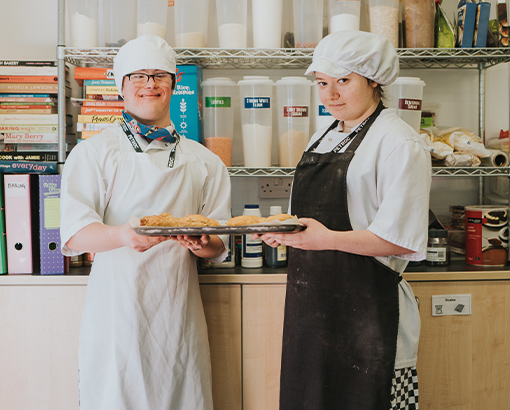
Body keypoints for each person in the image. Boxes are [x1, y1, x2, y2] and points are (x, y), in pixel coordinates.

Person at [258, 31, 431, 410]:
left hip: (370, 310)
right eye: (322, 83)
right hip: (312, 309)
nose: (330, 94)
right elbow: (310, 221)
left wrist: (325, 239)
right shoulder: (323, 137)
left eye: (343, 81)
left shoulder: (398, 142)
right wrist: (288, 232)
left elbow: (401, 239)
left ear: (373, 80)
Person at [60, 35, 231, 410]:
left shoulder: (205, 162)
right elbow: (74, 231)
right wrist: (124, 234)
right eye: (138, 76)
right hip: (117, 314)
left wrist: (205, 243)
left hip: (178, 315)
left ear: (174, 83)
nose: (149, 84)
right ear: (121, 86)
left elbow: (220, 241)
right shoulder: (94, 153)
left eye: (158, 75)